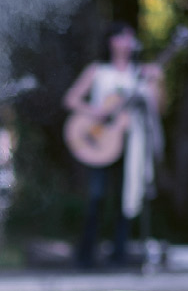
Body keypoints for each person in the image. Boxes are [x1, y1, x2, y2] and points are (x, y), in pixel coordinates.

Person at [63, 21, 164, 268]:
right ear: (111, 41)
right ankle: (85, 256)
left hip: (131, 144)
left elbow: (157, 108)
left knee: (126, 197)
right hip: (100, 142)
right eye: (122, 37)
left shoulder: (140, 74)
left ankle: (120, 255)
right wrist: (95, 111)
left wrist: (157, 83)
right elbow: (71, 99)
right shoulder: (98, 71)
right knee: (96, 197)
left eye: (130, 38)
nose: (127, 43)